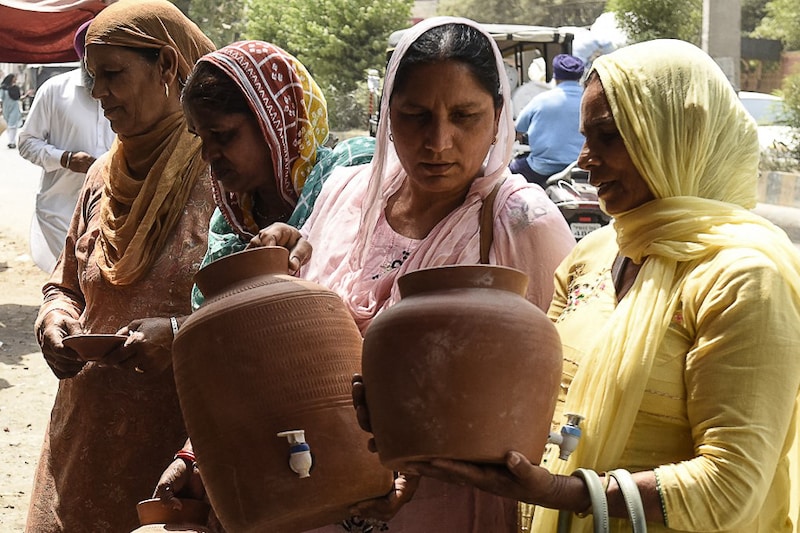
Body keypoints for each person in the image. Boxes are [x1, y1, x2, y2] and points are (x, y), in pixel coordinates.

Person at [404, 39, 800, 532]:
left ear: (677, 135)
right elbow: (534, 398)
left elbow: (730, 486)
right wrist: (415, 402)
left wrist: (564, 493)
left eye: (609, 136)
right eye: (585, 136)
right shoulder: (594, 255)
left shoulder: (744, 277)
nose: (586, 158)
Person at [248, 16, 576, 532]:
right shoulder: (347, 193)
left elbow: (553, 384)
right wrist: (274, 275)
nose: (438, 141)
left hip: (443, 507)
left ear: (498, 118)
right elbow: (298, 340)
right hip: (321, 491)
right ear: (387, 115)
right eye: (416, 115)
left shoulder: (522, 222)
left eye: (464, 116)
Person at [127, 42, 373, 530]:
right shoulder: (231, 220)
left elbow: (344, 326)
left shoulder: (350, 186)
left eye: (224, 135)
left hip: (348, 449)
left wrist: (180, 331)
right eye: (201, 139)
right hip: (259, 454)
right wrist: (196, 456)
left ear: (275, 123)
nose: (211, 156)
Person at [26, 1, 215, 531]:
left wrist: (177, 335)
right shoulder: (102, 177)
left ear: (168, 67)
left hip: (177, 450)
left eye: (113, 75)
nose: (99, 94)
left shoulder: (219, 176)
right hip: (83, 436)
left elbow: (256, 319)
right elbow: (65, 286)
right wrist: (55, 319)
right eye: (93, 79)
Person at [18, 19, 116, 273]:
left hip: (112, 209)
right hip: (59, 211)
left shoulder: (127, 92)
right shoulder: (54, 91)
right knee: (69, 279)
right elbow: (26, 142)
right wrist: (66, 159)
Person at [509, 54, 585, 187]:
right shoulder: (588, 100)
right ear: (579, 77)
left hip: (541, 169)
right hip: (582, 168)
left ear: (555, 76)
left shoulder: (541, 100)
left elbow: (518, 129)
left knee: (509, 173)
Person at [1, 73, 30, 148]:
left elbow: (18, 98)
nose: (16, 79)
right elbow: (1, 98)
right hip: (6, 108)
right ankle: (11, 140)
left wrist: (26, 95)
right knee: (9, 125)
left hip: (15, 108)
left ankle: (12, 142)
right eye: (14, 78)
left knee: (12, 125)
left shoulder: (16, 88)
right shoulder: (3, 88)